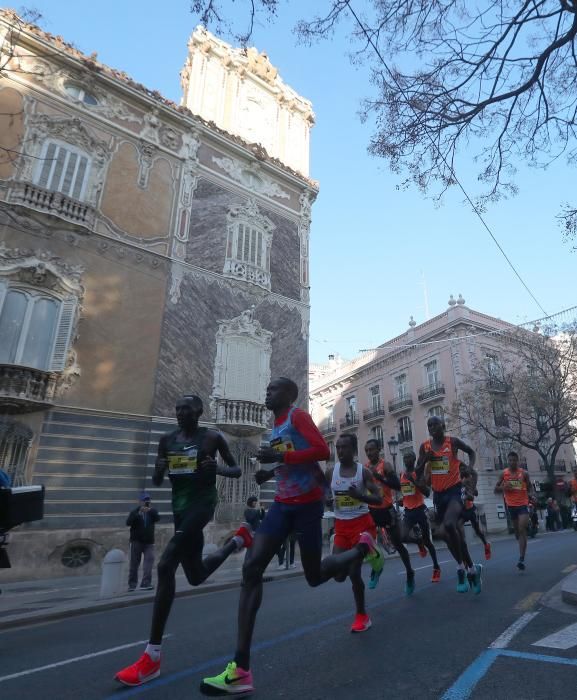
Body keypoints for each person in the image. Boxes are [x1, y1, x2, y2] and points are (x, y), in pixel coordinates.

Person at [200, 378, 384, 696]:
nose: (267, 392)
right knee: (251, 569)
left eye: (273, 390)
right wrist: (270, 471)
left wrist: (281, 459)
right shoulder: (277, 422)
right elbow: (292, 459)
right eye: (267, 388)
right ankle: (240, 669)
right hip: (282, 505)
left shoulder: (298, 416)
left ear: (288, 395)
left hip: (307, 507)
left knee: (314, 576)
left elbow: (321, 451)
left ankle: (361, 549)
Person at [115, 394, 249, 687]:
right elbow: (157, 481)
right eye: (177, 409)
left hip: (202, 505)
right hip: (180, 509)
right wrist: (160, 468)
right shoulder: (167, 440)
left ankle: (152, 657)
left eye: (185, 409)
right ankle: (237, 542)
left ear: (199, 412)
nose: (179, 413)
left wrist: (218, 469)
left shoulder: (212, 438)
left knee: (164, 566)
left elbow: (236, 469)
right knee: (196, 574)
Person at [324, 433, 383, 632]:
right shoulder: (331, 472)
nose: (340, 451)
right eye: (337, 447)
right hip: (341, 526)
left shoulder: (363, 472)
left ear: (354, 450)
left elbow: (379, 498)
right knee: (338, 575)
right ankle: (375, 554)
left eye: (344, 447)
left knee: (353, 573)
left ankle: (362, 616)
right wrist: (327, 500)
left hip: (362, 527)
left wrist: (360, 496)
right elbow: (324, 490)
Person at [417, 416, 482, 594]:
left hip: (454, 492)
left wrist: (469, 466)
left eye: (435, 425)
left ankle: (461, 569)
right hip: (438, 496)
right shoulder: (425, 447)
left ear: (443, 426)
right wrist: (425, 460)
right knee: (446, 535)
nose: (432, 428)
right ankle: (470, 568)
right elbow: (416, 471)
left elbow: (471, 452)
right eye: (429, 425)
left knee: (449, 525)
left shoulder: (452, 442)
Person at [365, 439, 418, 595]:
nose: (369, 453)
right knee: (365, 541)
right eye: (367, 450)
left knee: (398, 544)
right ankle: (377, 568)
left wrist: (380, 478)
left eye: (372, 450)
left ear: (379, 450)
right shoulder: (365, 468)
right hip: (371, 511)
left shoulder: (385, 466)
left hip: (386, 510)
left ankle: (409, 573)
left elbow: (397, 486)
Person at [400, 451, 441, 582]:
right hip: (408, 511)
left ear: (414, 459)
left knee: (428, 541)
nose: (407, 459)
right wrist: (401, 500)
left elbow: (427, 492)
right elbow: (406, 493)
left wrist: (414, 481)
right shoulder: (401, 474)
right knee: (402, 536)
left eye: (409, 457)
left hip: (419, 510)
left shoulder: (418, 474)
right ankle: (419, 543)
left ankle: (436, 567)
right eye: (405, 457)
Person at [494, 450, 532, 570]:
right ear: (507, 461)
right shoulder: (503, 474)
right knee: (517, 531)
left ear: (518, 461)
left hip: (523, 504)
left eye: (514, 460)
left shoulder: (524, 473)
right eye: (510, 460)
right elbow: (495, 490)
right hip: (511, 506)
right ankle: (520, 538)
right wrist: (503, 487)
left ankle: (521, 558)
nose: (512, 462)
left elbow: (530, 487)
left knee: (521, 528)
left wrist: (532, 495)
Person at [126, 492, 160, 591]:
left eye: (148, 500)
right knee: (134, 563)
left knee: (149, 561)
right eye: (144, 500)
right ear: (140, 501)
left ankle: (146, 583)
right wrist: (138, 512)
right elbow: (128, 523)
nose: (146, 502)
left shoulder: (152, 512)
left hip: (149, 542)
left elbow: (158, 518)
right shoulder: (134, 512)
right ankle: (132, 584)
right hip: (136, 541)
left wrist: (150, 511)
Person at [459, 463, 491, 560]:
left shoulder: (469, 480)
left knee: (477, 531)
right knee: (459, 531)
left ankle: (486, 544)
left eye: (463, 468)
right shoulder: (458, 481)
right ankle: (464, 554)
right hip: (461, 512)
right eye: (460, 469)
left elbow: (474, 494)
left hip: (471, 510)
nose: (462, 470)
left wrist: (470, 492)